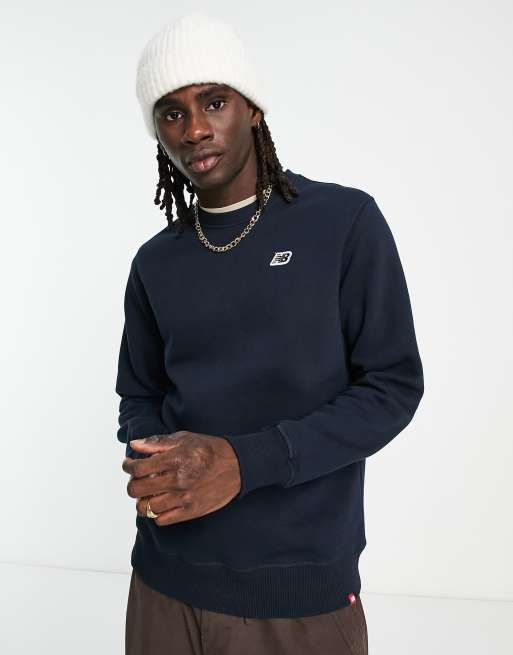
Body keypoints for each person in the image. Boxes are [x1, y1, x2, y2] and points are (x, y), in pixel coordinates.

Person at [115, 11, 424, 655]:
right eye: (171, 113)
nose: (195, 128)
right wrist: (156, 462)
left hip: (297, 600)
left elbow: (392, 387)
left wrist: (241, 463)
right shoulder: (155, 262)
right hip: (163, 587)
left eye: (214, 101)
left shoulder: (342, 223)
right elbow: (139, 394)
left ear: (252, 108)